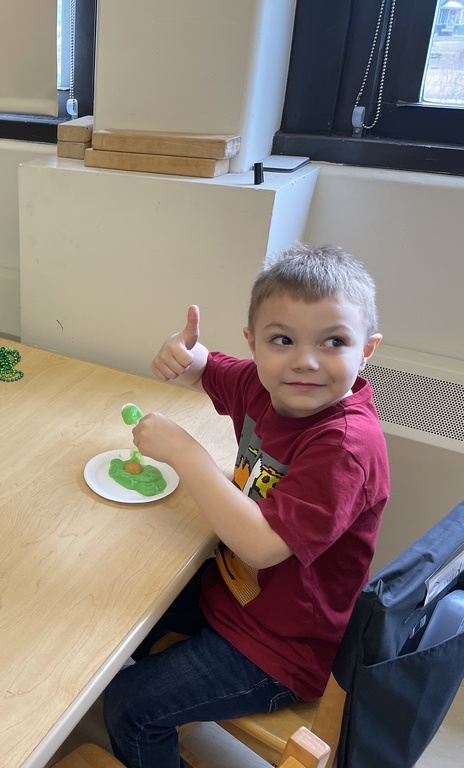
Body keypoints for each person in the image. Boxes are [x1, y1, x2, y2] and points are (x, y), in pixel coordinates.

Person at [102, 243, 390, 766]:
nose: (304, 361)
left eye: (334, 342)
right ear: (254, 343)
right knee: (115, 607)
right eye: (282, 339)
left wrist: (186, 454)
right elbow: (203, 368)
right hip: (235, 597)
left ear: (366, 350)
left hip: (284, 648)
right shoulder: (265, 386)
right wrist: (183, 355)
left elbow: (261, 547)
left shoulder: (346, 447)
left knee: (129, 705)